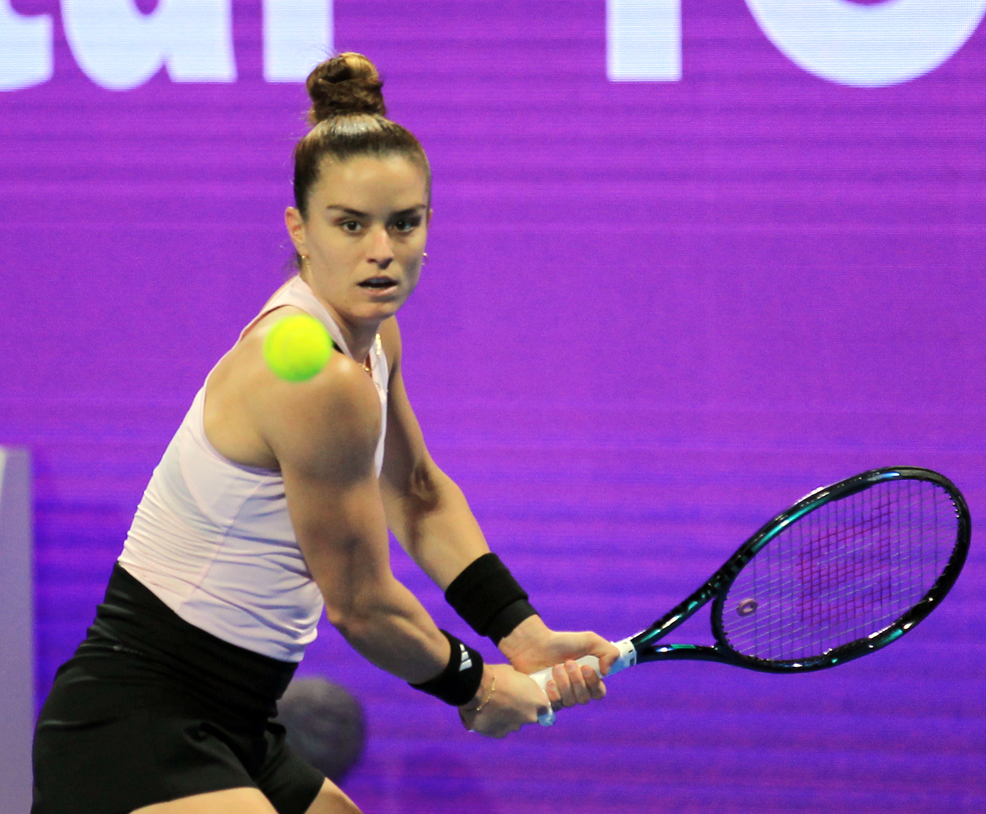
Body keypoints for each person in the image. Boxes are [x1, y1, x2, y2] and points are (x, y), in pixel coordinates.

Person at [31, 53, 619, 814]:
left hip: (239, 716)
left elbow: (417, 493)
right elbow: (362, 604)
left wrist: (522, 632)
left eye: (404, 223)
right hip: (136, 720)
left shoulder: (373, 339)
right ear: (300, 230)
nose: (382, 250)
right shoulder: (315, 379)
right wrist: (477, 687)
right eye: (351, 224)